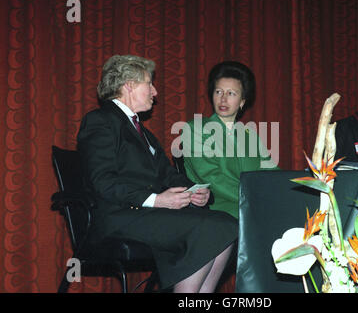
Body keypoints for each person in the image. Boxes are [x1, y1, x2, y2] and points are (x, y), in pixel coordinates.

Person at [77, 54, 238, 292]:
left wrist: (197, 191)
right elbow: (104, 182)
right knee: (209, 227)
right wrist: (158, 200)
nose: (155, 92)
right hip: (118, 216)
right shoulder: (100, 121)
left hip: (145, 214)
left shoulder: (143, 133)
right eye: (149, 84)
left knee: (227, 224)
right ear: (129, 85)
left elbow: (168, 175)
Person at [182, 61, 279, 219]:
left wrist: (297, 183)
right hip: (216, 207)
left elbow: (270, 172)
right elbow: (211, 177)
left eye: (231, 93)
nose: (223, 99)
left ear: (242, 102)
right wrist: (254, 198)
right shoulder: (196, 128)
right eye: (218, 92)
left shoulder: (249, 135)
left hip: (252, 204)